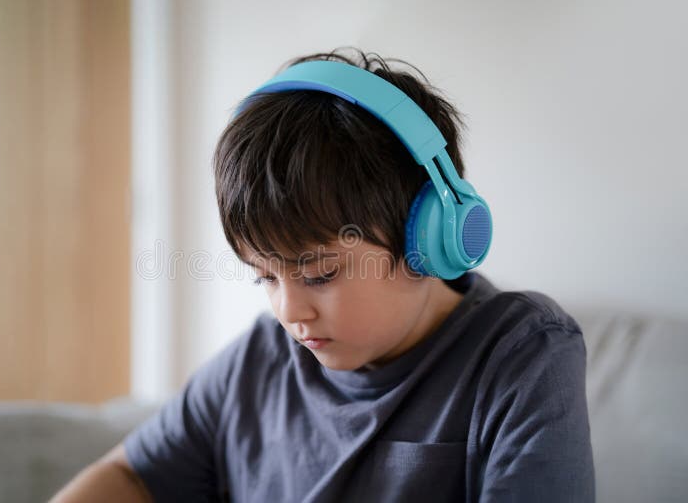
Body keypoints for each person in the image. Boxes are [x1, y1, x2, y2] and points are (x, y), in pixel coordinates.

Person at [51, 47, 594, 502]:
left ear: (429, 237)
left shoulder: (521, 356)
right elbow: (126, 476)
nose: (289, 314)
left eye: (319, 274)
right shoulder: (261, 360)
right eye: (264, 277)